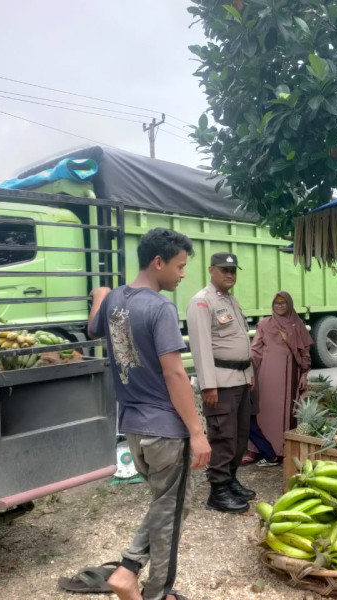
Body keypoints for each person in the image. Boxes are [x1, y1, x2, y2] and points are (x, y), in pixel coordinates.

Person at [87, 228, 211, 600]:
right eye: (180, 266)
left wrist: (100, 295)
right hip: (166, 430)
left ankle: (131, 569)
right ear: (158, 262)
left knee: (164, 505)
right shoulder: (159, 307)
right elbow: (175, 373)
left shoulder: (116, 301)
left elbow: (93, 327)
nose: (182, 274)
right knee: (171, 516)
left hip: (135, 431)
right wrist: (197, 432)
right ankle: (152, 589)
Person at [186, 252, 254, 514]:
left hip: (239, 378)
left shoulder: (230, 300)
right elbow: (201, 347)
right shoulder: (202, 302)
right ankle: (218, 490)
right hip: (220, 382)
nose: (230, 274)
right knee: (223, 436)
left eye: (233, 270)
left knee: (239, 436)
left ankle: (230, 479)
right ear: (211, 270)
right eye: (224, 270)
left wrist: (250, 374)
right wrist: (208, 385)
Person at [250, 291, 313, 461]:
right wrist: (247, 370)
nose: (279, 306)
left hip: (290, 375)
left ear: (289, 304)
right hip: (267, 376)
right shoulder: (264, 325)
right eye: (276, 303)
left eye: (283, 303)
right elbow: (255, 350)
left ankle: (282, 450)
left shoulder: (297, 324)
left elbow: (304, 352)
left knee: (287, 414)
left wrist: (304, 375)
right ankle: (259, 449)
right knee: (264, 413)